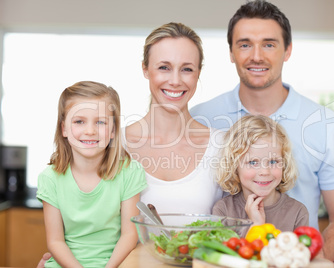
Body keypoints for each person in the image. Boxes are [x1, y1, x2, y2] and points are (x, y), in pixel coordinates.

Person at [190, 0, 334, 261]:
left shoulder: (325, 123)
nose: (256, 55)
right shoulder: (201, 118)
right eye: (245, 44)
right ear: (231, 52)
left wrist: (308, 262)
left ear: (287, 50)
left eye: (269, 44)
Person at [36, 81, 147, 267]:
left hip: (115, 263)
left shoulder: (130, 172)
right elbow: (55, 241)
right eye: (79, 121)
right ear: (64, 128)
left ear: (112, 130)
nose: (90, 131)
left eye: (101, 122)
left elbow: (129, 235)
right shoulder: (49, 178)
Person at [122, 22, 224, 214]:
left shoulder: (222, 146)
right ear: (145, 69)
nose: (176, 81)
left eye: (187, 69)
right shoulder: (115, 145)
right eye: (164, 67)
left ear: (198, 73)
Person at [213, 114, 309, 234]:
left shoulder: (297, 212)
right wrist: (255, 226)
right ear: (234, 166)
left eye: (273, 161)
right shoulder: (224, 211)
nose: (264, 171)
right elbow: (223, 252)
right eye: (253, 162)